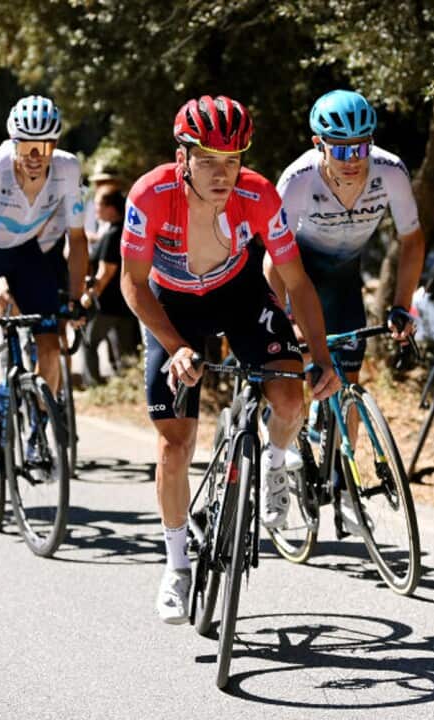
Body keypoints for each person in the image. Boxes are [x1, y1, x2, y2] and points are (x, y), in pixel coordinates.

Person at [119, 95, 340, 622]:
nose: (224, 175)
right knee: (176, 443)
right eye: (210, 161)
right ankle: (176, 566)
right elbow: (132, 281)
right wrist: (175, 348)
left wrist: (322, 356)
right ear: (183, 157)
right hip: (172, 302)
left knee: (290, 398)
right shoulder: (150, 195)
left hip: (237, 293)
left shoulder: (259, 195)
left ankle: (275, 460)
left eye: (233, 161)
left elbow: (295, 281)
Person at [0, 95, 87, 480]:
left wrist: (76, 300)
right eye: (26, 146)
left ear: (54, 145)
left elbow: (77, 239)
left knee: (48, 344)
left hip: (25, 253)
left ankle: (38, 433)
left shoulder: (67, 170)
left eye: (43, 146)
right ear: (13, 142)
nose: (34, 155)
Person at [268, 88, 424, 384]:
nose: (352, 160)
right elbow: (274, 257)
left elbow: (412, 241)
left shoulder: (390, 172)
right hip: (300, 276)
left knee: (348, 381)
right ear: (318, 144)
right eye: (340, 149)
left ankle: (343, 430)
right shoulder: (297, 179)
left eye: (361, 148)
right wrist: (280, 318)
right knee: (291, 374)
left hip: (345, 281)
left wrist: (401, 306)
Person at [79, 187, 139, 385]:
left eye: (98, 205)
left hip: (108, 304)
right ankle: (128, 387)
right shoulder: (123, 229)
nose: (95, 209)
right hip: (127, 302)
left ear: (111, 208)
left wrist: (89, 295)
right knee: (125, 351)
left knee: (89, 343)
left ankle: (94, 385)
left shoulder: (113, 234)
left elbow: (106, 272)